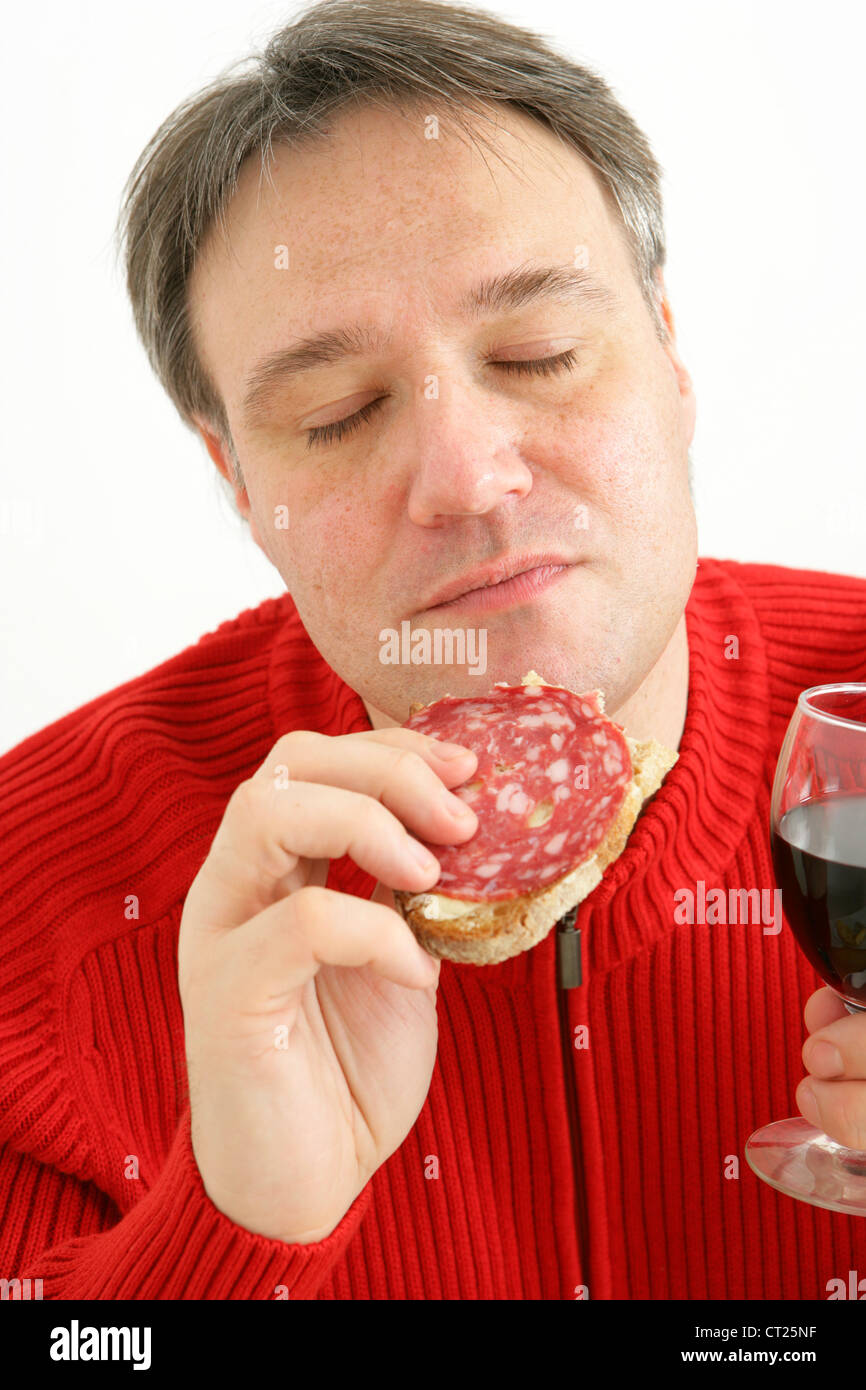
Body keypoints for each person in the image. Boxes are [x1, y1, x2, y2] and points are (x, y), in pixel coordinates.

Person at [2, 0, 865, 1301]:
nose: (465, 478)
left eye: (540, 352)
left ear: (670, 357)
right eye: (337, 414)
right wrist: (236, 1233)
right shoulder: (30, 893)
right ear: (237, 480)